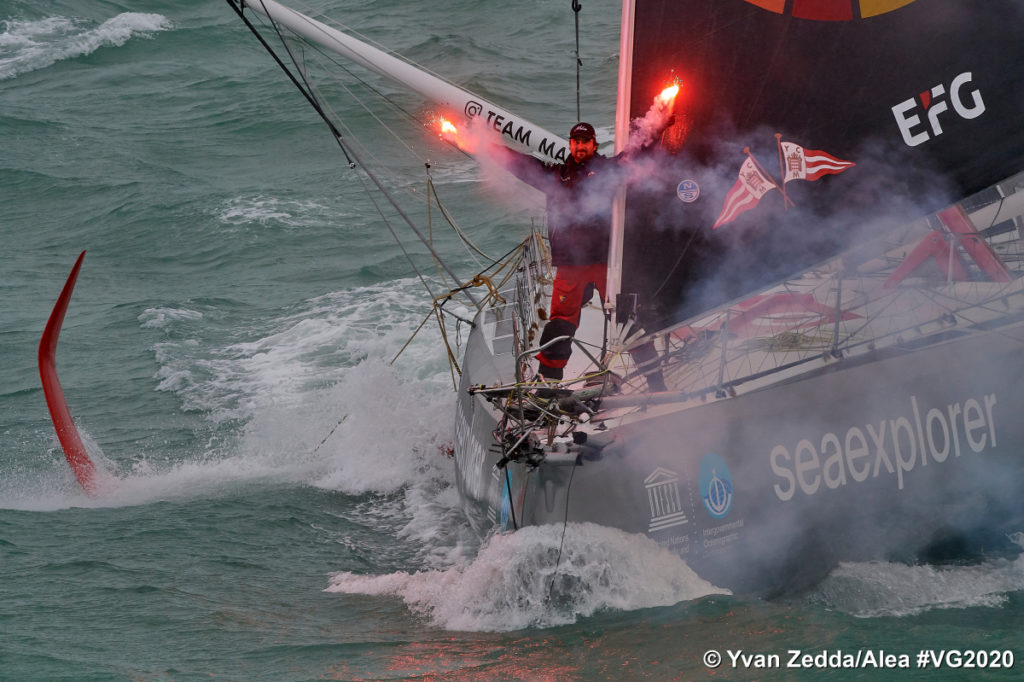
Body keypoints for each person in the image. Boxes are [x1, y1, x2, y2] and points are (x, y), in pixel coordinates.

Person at [485, 121, 626, 381]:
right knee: (561, 322)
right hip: (571, 262)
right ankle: (548, 383)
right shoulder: (558, 176)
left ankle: (655, 379)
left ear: (594, 144)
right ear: (570, 144)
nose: (580, 146)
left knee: (625, 316)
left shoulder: (608, 170)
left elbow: (637, 158)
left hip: (605, 260)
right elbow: (524, 166)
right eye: (575, 142)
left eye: (585, 142)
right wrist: (490, 147)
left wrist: (658, 125)